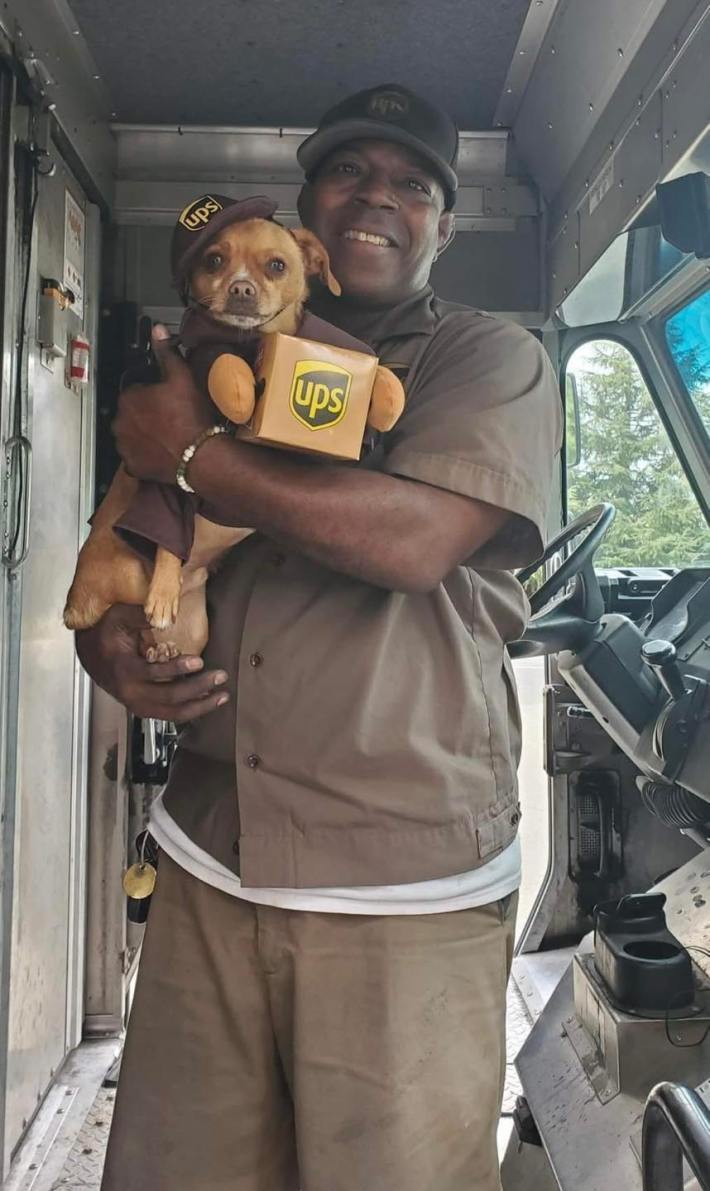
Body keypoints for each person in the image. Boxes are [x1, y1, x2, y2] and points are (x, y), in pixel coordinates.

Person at [78, 83, 562, 1191]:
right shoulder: (200, 361)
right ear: (304, 223)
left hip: (401, 894)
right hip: (208, 858)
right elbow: (133, 536)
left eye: (412, 184)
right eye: (348, 172)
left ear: (444, 226)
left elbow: (414, 543)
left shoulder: (484, 361)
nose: (376, 198)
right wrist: (109, 649)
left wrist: (194, 453)